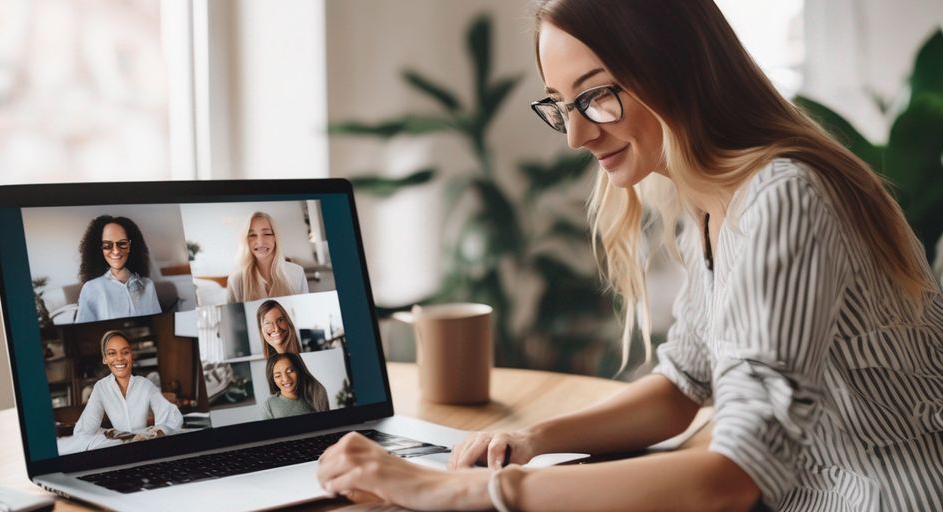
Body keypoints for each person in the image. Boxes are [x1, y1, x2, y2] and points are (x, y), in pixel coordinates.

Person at [316, 1, 943, 510]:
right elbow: (683, 384)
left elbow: (729, 480)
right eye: (562, 104)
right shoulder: (715, 200)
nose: (576, 134)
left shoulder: (783, 196)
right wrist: (532, 438)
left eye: (595, 96)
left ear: (675, 68)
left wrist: (456, 491)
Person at [73, 331, 183, 442]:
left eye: (125, 352)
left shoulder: (145, 385)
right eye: (112, 353)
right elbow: (84, 430)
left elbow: (172, 418)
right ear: (105, 359)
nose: (119, 358)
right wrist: (111, 436)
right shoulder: (101, 388)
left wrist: (156, 433)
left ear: (132, 356)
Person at [75, 215, 162, 323]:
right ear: (99, 248)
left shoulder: (148, 285)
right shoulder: (91, 289)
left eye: (122, 243)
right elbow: (83, 329)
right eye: (107, 245)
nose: (116, 251)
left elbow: (158, 322)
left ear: (130, 246)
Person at [226, 212, 309, 303]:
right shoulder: (235, 280)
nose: (260, 242)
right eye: (252, 235)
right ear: (246, 240)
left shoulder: (297, 273)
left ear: (275, 237)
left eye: (267, 234)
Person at [259, 352, 329, 420]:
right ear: (272, 379)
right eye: (278, 376)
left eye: (290, 371)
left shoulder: (316, 396)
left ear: (298, 371)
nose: (285, 379)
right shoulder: (270, 405)